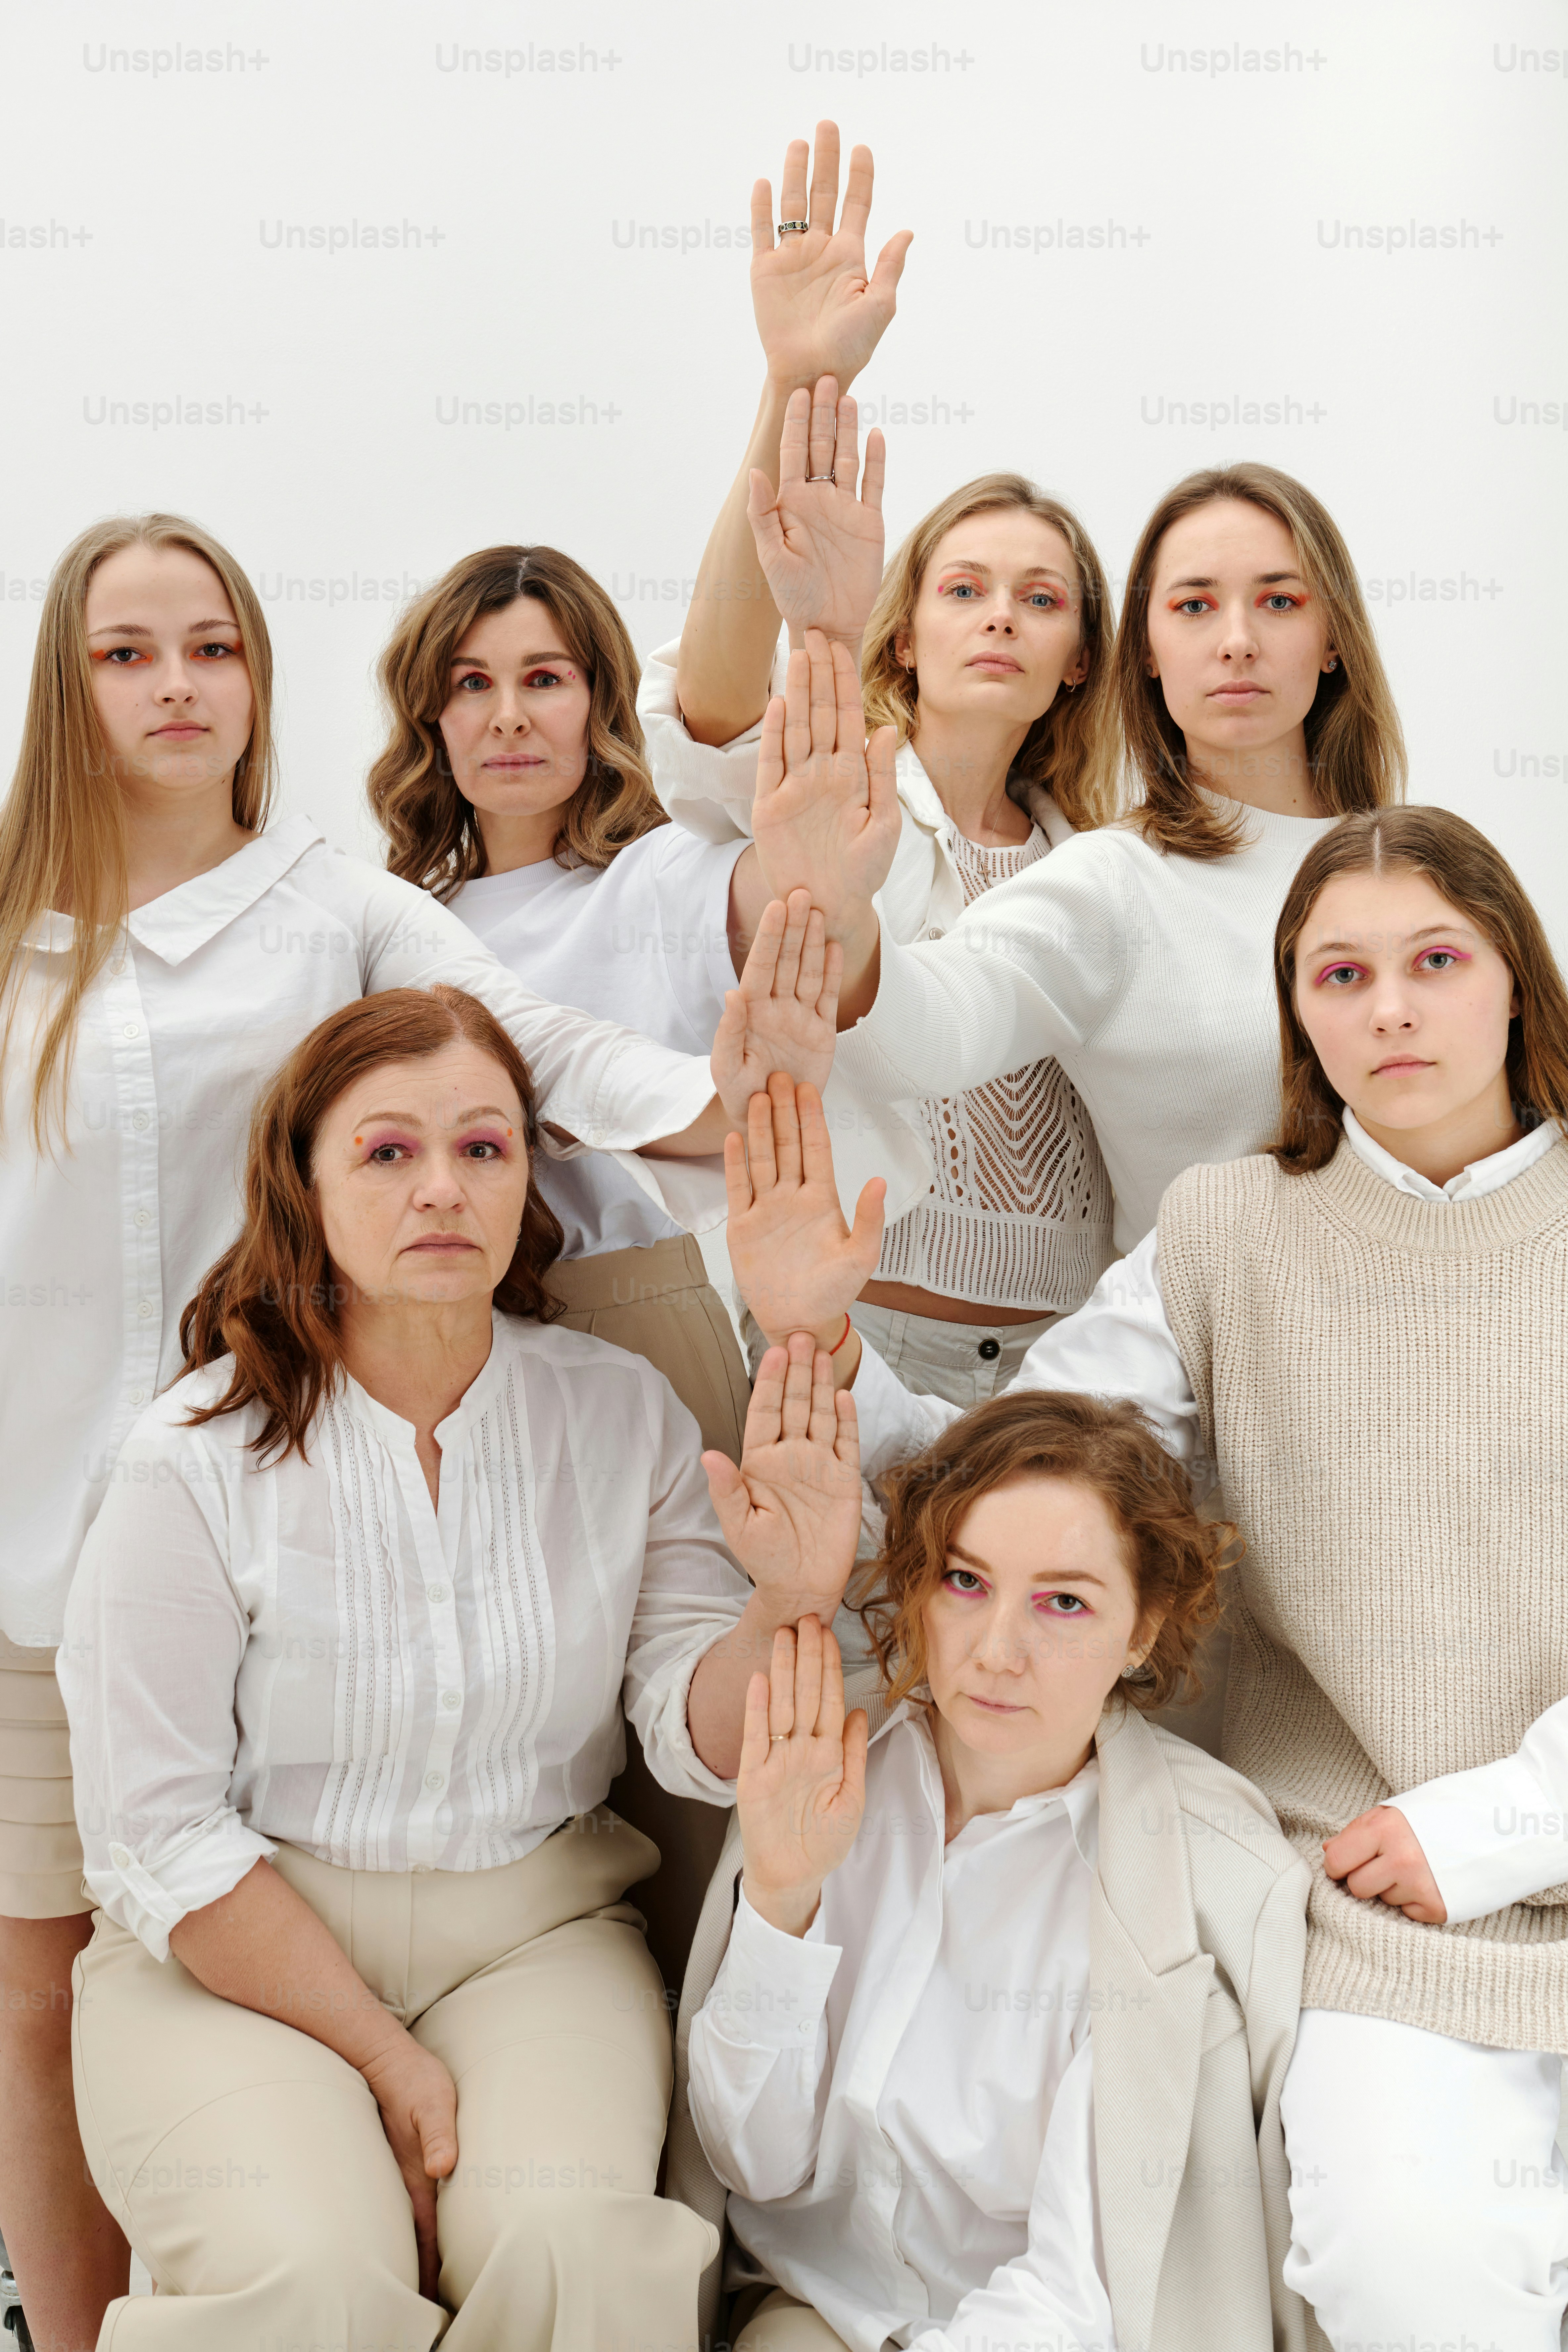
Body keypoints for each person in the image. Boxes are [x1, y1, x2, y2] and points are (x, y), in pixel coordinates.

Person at [0, 512, 833, 2351]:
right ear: (69, 686)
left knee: (501, 2184)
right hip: (43, 1555)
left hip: (300, 1482)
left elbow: (542, 1058)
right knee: (55, 1994)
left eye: (209, 645)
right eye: (127, 652)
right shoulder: (11, 942)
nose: (174, 685)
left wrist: (755, 1104)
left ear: (258, 676)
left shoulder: (336, 906)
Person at [725, 808, 1568, 2348]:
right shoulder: (1226, 1232)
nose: (1388, 1007)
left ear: (1516, 980)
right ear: (1295, 1009)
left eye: (1434, 961)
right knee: (1403, 2275)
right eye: (1339, 972)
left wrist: (1497, 1825)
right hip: (1372, 1913)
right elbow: (1019, 1481)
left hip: (1483, 1838)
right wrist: (822, 1340)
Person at [57, 983, 868, 2351]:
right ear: (302, 1187)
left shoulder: (617, 1414)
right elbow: (158, 1833)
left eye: (484, 1148)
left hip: (536, 1938)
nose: (442, 1186)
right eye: (386, 1152)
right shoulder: (189, 1458)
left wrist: (784, 1599)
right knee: (308, 2271)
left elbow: (688, 1732)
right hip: (231, 1955)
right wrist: (385, 2062)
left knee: (573, 2251)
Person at [644, 121, 1120, 1408]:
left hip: (1070, 1357)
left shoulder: (1104, 861)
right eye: (965, 587)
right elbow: (707, 711)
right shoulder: (834, 777)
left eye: (1040, 597)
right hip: (859, 1340)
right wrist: (791, 382)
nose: (1001, 617)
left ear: (1079, 654)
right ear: (907, 625)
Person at [676, 1393, 1310, 2351]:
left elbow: (1077, 2295)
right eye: (967, 1582)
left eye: (1064, 1601)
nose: (998, 1652)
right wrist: (781, 1898)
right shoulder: (821, 1763)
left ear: (1144, 1628)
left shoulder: (1191, 1881)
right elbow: (754, 2170)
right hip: (816, 2308)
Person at [718, 452, 1406, 1304]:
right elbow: (941, 1026)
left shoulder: (1414, 868)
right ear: (1145, 652)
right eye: (1194, 606)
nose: (1237, 639)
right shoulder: (1113, 881)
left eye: (1279, 601)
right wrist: (843, 913)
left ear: (1333, 636)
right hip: (1206, 1383)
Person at [369, 540, 755, 1462]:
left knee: (689, 1607)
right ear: (434, 719)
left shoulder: (664, 873)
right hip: (449, 1338)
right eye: (471, 684)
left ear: (598, 703)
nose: (507, 718)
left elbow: (793, 886)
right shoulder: (401, 925)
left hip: (632, 1316)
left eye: (544, 679)